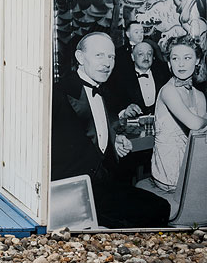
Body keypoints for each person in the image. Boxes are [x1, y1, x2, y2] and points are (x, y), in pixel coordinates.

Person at [52, 32, 171, 227]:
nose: (107, 63)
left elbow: (95, 127)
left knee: (160, 208)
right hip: (72, 195)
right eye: (99, 55)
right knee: (148, 215)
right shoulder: (58, 94)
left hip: (101, 184)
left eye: (111, 57)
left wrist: (113, 137)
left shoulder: (104, 90)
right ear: (80, 58)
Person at [151, 36, 207, 192]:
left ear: (197, 60)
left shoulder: (199, 95)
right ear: (169, 63)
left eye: (187, 57)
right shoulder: (168, 91)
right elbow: (195, 124)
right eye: (175, 58)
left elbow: (203, 125)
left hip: (192, 165)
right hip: (168, 173)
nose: (181, 64)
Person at [110, 41, 170, 118]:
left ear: (153, 57)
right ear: (132, 57)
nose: (146, 58)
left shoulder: (164, 75)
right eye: (141, 54)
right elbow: (114, 105)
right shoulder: (121, 79)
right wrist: (124, 112)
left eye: (149, 54)